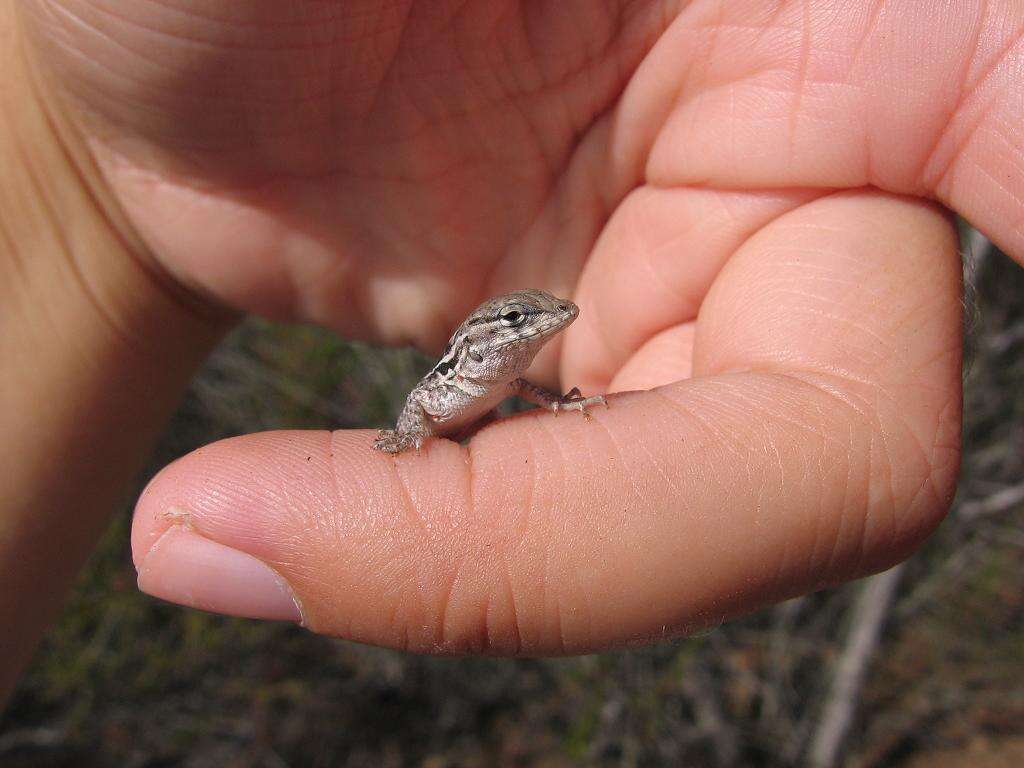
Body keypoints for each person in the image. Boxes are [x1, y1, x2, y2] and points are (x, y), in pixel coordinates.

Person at [2, 0, 1018, 701]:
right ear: (487, 336)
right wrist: (84, 159)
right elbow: (427, 410)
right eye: (523, 323)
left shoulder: (510, 371)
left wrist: (87, 179)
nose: (540, 327)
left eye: (534, 322)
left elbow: (518, 389)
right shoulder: (452, 382)